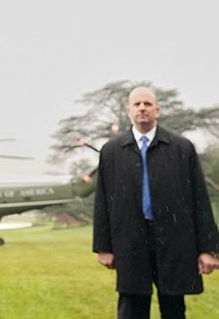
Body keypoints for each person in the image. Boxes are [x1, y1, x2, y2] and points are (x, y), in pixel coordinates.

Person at [94, 86, 219, 318]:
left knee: (173, 309)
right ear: (128, 110)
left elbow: (199, 199)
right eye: (137, 104)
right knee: (131, 308)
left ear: (157, 110)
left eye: (148, 104)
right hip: (130, 241)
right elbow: (102, 201)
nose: (142, 108)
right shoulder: (111, 151)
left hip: (174, 239)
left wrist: (207, 249)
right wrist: (103, 247)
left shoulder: (181, 148)